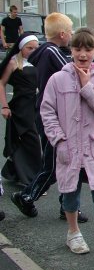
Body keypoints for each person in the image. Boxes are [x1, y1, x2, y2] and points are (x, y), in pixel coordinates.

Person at [41, 27, 94, 262]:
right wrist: (58, 138)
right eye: (78, 48)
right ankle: (73, 233)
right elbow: (47, 110)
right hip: (68, 146)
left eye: (88, 49)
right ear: (71, 50)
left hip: (93, 146)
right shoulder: (58, 79)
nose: (83, 54)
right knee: (70, 194)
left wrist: (87, 86)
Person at [10, 13, 88, 223]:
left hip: (53, 113)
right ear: (63, 34)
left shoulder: (45, 51)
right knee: (53, 165)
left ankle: (67, 206)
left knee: (68, 161)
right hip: (53, 116)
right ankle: (27, 196)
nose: (71, 35)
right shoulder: (52, 52)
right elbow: (75, 70)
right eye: (71, 32)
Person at [0, 33, 42, 187]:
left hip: (36, 106)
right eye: (29, 48)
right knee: (32, 141)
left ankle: (13, 172)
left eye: (35, 48)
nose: (32, 50)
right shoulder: (13, 63)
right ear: (20, 48)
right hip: (20, 108)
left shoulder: (38, 61)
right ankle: (33, 180)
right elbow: (1, 83)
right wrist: (4, 106)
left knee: (27, 140)